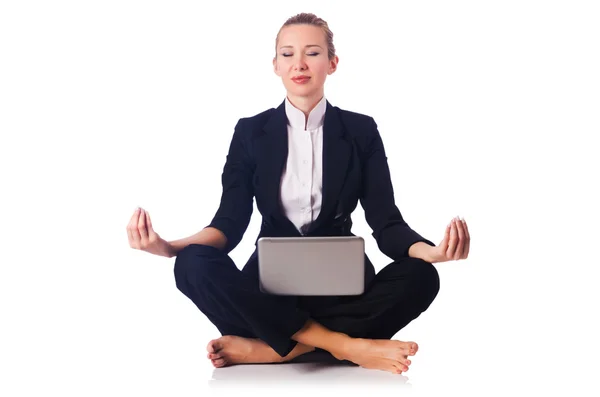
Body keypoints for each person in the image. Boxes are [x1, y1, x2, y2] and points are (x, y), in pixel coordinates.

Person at [126, 12, 470, 375]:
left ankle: (275, 349)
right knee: (193, 264)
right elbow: (229, 223)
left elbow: (386, 223)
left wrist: (432, 252)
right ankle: (341, 344)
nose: (299, 64)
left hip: (342, 290)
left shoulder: (361, 130)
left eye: (313, 53)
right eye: (287, 54)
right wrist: (168, 248)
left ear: (332, 63)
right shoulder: (250, 132)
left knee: (422, 277)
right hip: (268, 293)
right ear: (275, 65)